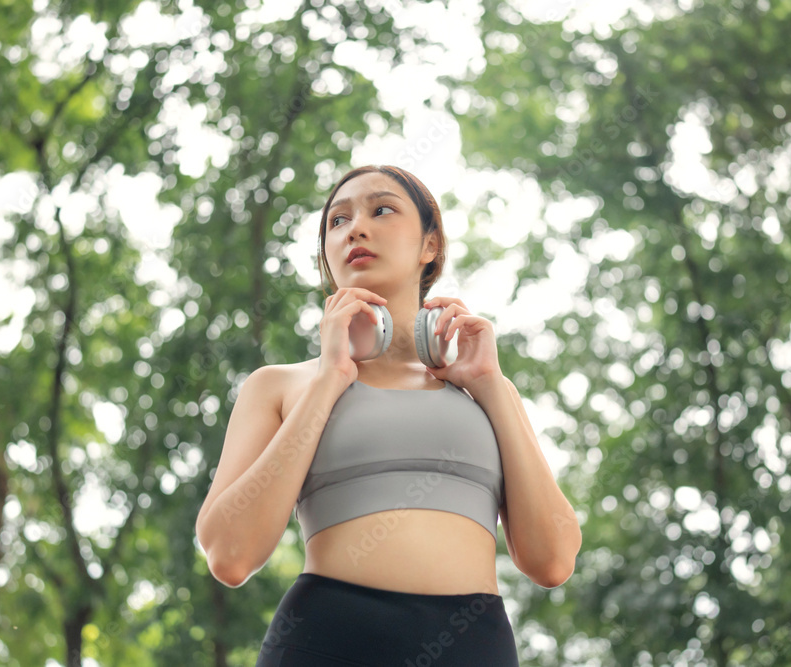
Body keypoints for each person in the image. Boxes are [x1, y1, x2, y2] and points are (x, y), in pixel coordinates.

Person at [194, 165, 582, 666]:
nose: (355, 227)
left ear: (430, 246)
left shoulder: (486, 389)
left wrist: (489, 384)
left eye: (382, 210)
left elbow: (552, 560)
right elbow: (229, 554)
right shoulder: (282, 385)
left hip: (472, 647)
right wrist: (331, 377)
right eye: (337, 220)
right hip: (323, 641)